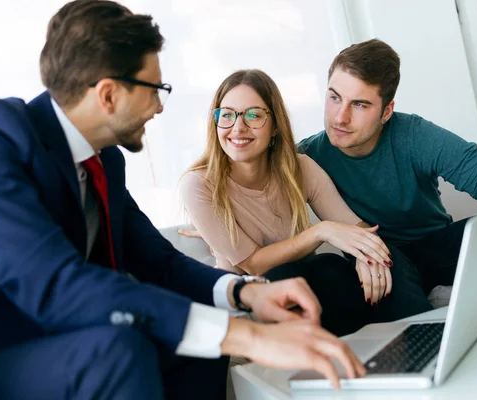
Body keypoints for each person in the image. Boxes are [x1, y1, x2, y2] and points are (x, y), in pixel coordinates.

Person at [0, 2, 367, 398]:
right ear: (108, 94)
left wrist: (244, 293)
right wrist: (246, 337)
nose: (160, 107)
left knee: (203, 340)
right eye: (156, 90)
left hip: (74, 335)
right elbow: (52, 282)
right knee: (127, 349)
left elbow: (159, 262)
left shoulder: (105, 159)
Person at [298, 38, 477, 312]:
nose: (340, 117)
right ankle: (431, 349)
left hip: (438, 248)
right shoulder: (305, 157)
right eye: (334, 97)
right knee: (338, 269)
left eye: (359, 105)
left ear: (386, 112)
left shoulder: (415, 135)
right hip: (380, 262)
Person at [179, 69, 431, 337]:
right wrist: (321, 231)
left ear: (275, 125)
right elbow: (254, 264)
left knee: (341, 264)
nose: (238, 127)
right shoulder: (198, 184)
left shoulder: (299, 168)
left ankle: (424, 340)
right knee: (288, 274)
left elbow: (355, 227)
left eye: (253, 115)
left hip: (315, 288)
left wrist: (368, 253)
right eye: (227, 115)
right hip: (256, 299)